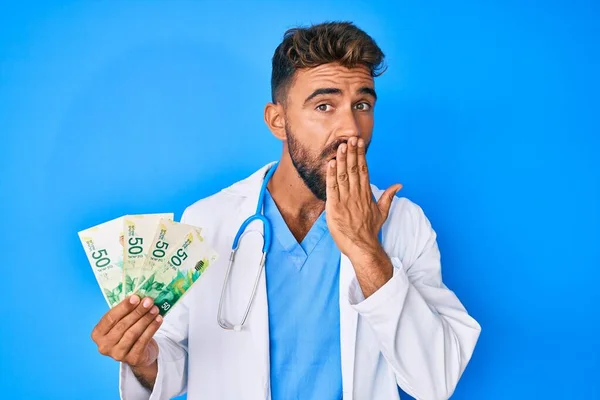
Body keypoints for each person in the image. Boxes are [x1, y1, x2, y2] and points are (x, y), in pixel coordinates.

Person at [91, 21, 481, 400]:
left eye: (362, 104)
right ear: (278, 120)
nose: (351, 128)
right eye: (324, 105)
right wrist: (143, 358)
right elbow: (176, 361)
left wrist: (366, 250)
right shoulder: (209, 220)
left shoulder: (403, 223)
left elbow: (436, 381)